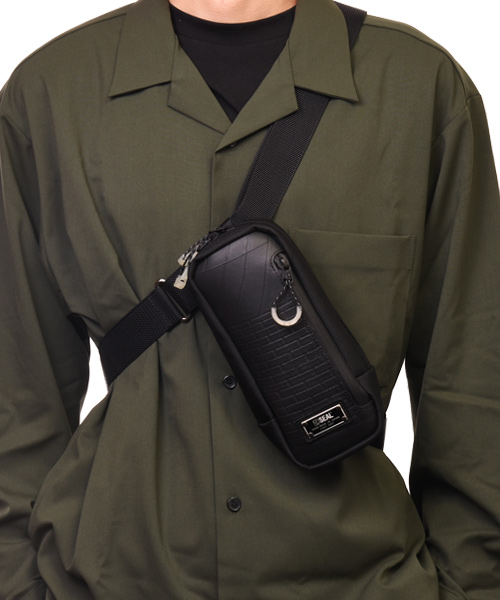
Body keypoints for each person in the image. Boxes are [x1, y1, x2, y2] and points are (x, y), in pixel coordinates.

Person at [1, 0, 499, 598]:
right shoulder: (50, 94)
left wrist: (470, 587)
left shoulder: (420, 89)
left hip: (362, 582)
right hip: (112, 580)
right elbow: (17, 392)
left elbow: (472, 383)